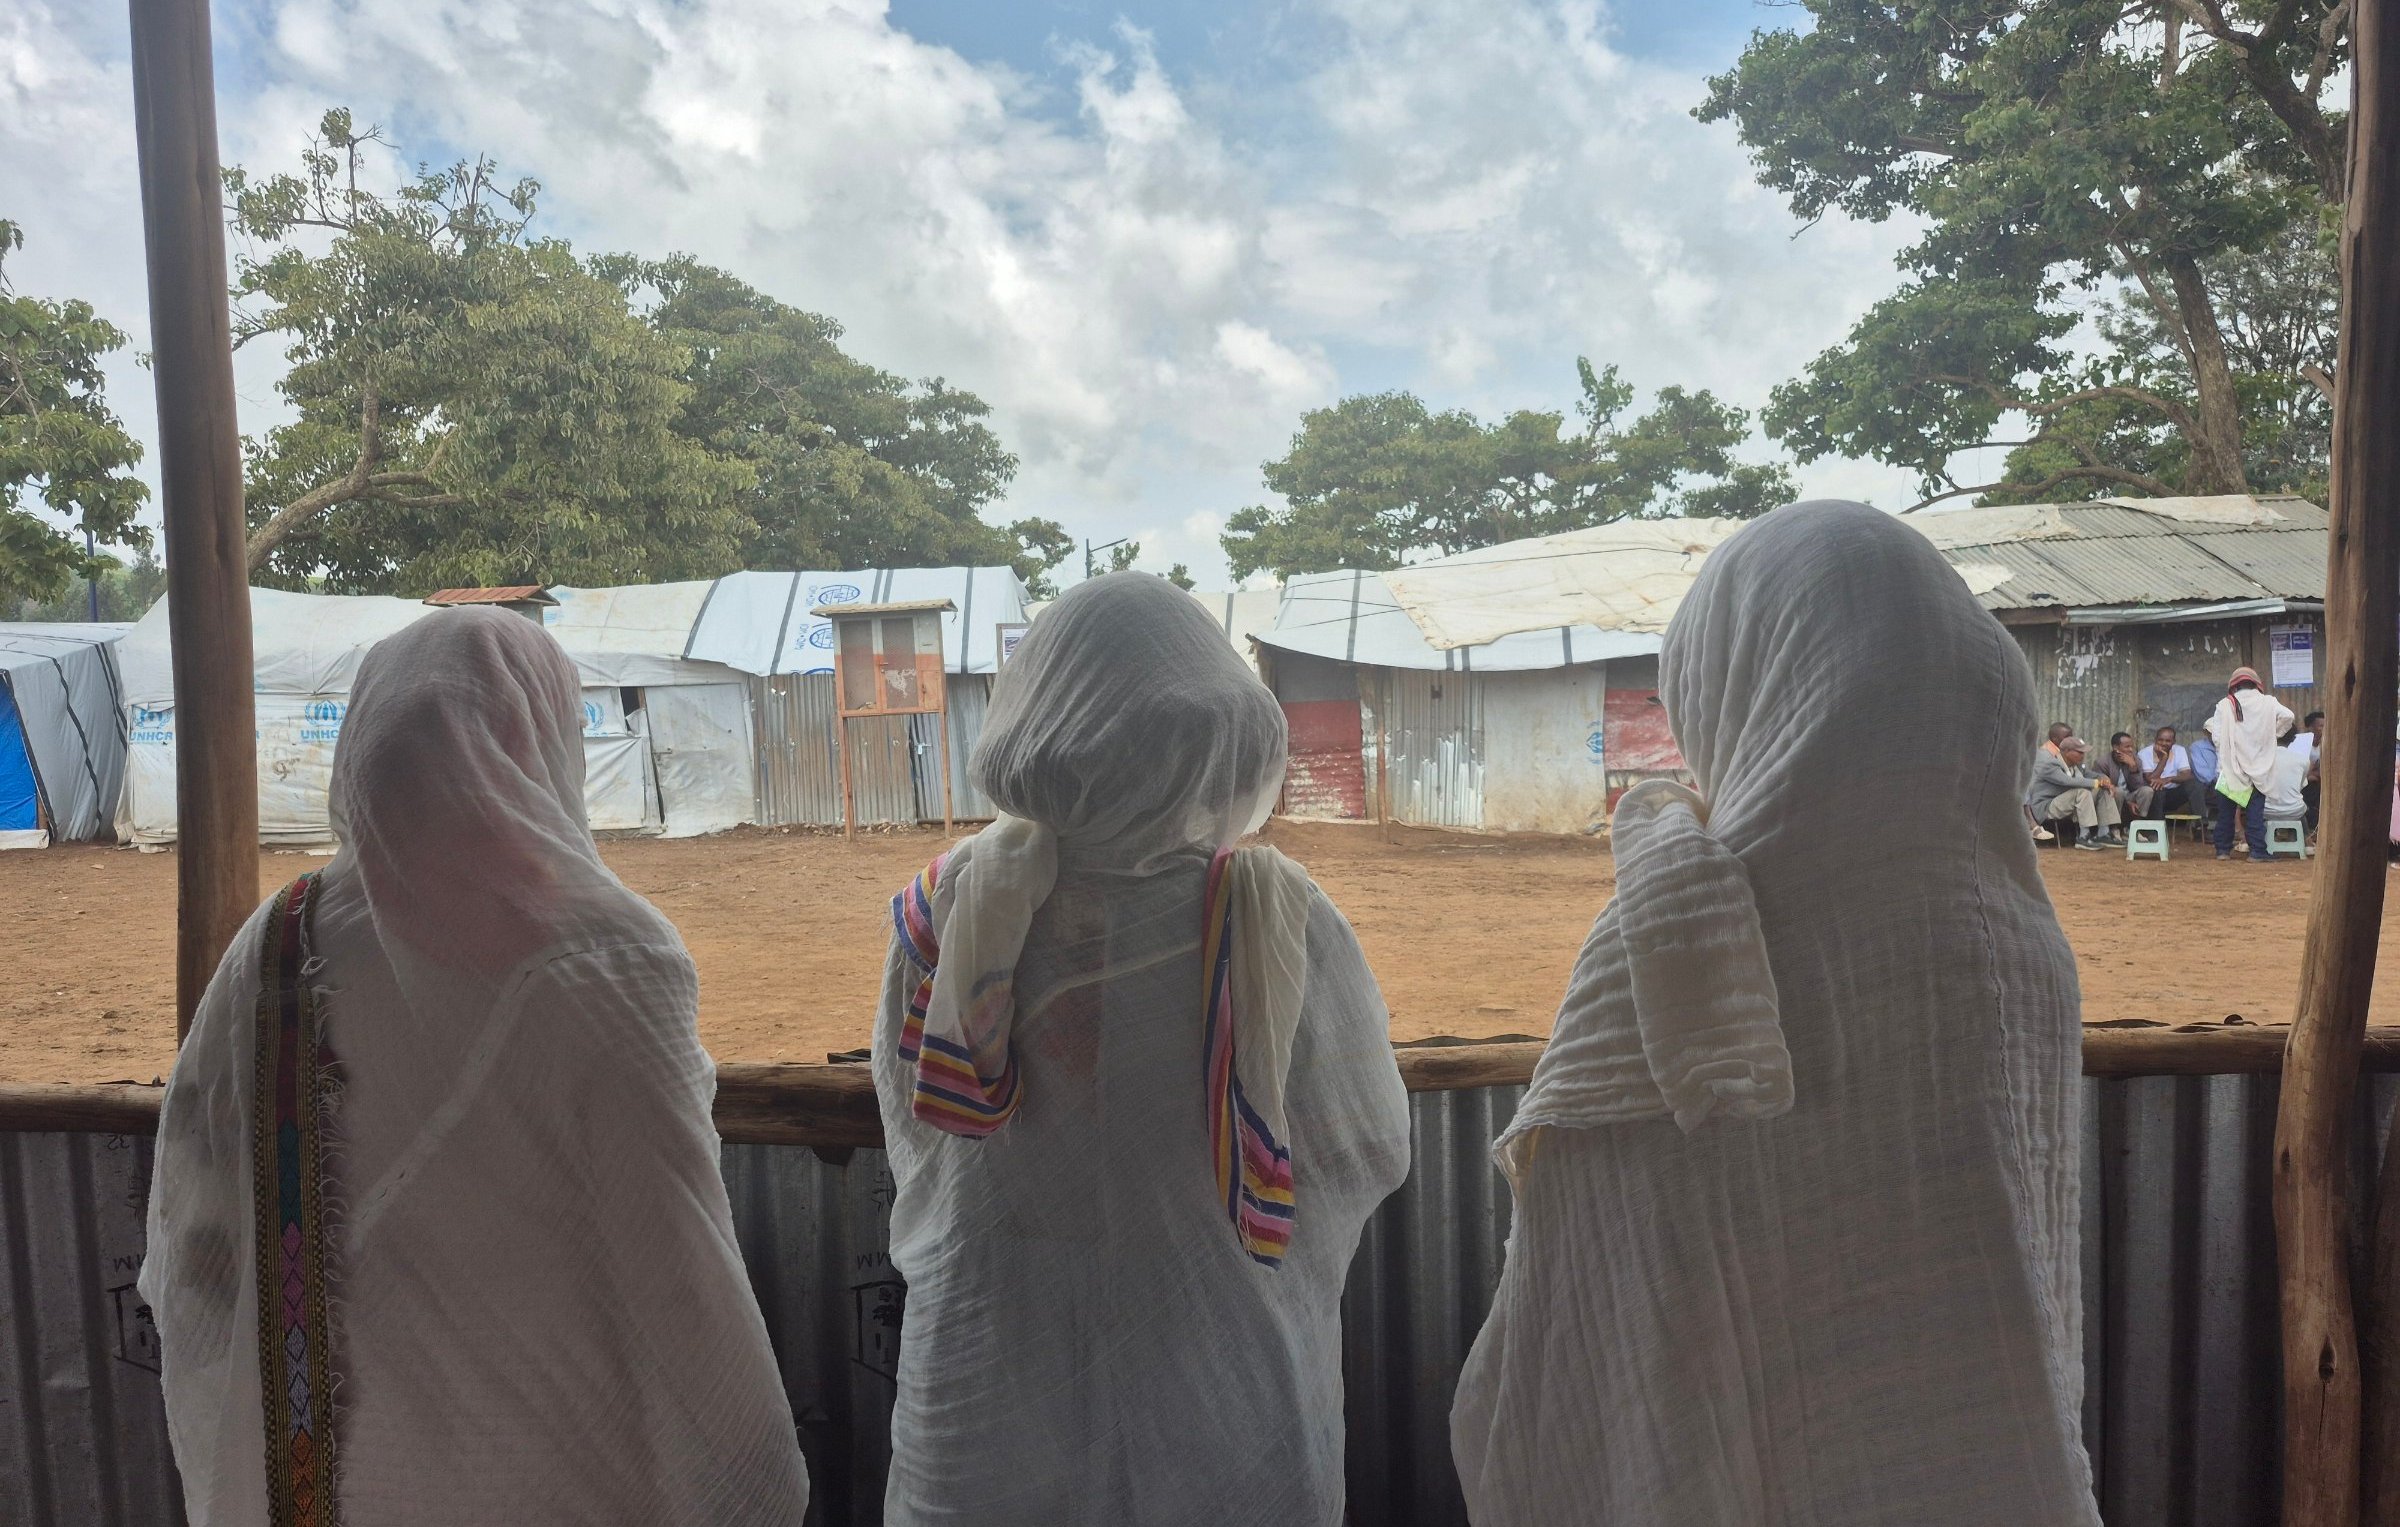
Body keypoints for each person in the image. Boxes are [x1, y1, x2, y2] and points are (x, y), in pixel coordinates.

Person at [1450, 502, 2094, 1526]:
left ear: (1732, 678)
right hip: (1990, 1459)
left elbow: (1585, 1301)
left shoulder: (1679, 925)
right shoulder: (2025, 944)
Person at [141, 610, 810, 1526]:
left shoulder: (278, 932)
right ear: (537, 736)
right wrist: (753, 1472)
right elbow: (679, 1276)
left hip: (313, 1477)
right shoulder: (605, 954)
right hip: (546, 1466)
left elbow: (195, 1214)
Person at [871, 573, 1411, 1527]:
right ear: (1220, 737)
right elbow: (1361, 1145)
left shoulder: (944, 908)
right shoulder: (1283, 918)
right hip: (1221, 1361)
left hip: (989, 1350)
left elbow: (915, 1130)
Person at [2204, 666, 2297, 861]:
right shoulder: (2268, 702)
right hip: (2258, 766)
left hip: (2231, 766)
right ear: (2256, 683)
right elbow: (2288, 716)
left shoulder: (2224, 704)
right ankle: (2257, 851)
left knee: (2226, 813)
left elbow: (2218, 737)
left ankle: (2222, 851)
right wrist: (2274, 733)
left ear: (2234, 684)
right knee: (2255, 811)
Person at [2028, 735, 2123, 849]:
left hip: (2065, 803)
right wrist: (2097, 783)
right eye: (2079, 752)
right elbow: (2067, 781)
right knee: (2082, 792)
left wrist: (2104, 779)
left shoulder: (2075, 765)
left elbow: (2090, 775)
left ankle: (2103, 833)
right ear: (2067, 752)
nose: (2083, 755)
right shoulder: (2051, 764)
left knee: (2103, 789)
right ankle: (2083, 837)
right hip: (2046, 807)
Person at [2138, 725, 2197, 819]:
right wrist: (2164, 758)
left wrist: (2168, 779)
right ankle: (2157, 829)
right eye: (2160, 740)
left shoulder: (2179, 750)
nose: (2163, 743)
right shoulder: (2144, 753)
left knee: (2194, 784)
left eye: (2168, 741)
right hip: (2154, 795)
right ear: (2155, 740)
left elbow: (2186, 774)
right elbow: (2150, 779)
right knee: (2157, 788)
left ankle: (2200, 825)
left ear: (2174, 742)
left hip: (2173, 794)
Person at [2103, 732, 2152, 827]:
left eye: (2131, 747)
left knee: (2147, 791)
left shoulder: (2135, 760)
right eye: (2127, 747)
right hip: (2113, 796)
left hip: (2130, 795)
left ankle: (2136, 827)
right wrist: (2127, 802)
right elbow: (2103, 789)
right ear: (2115, 748)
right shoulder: (2103, 762)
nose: (2130, 750)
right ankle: (2115, 828)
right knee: (2118, 792)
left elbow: (2138, 786)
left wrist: (2133, 767)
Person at [2293, 710, 2325, 834]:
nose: (2323, 729)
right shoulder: (2300, 743)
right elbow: (2299, 770)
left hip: (2315, 781)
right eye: (2321, 726)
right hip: (2301, 784)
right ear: (2311, 727)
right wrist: (2311, 773)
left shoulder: (2324, 745)